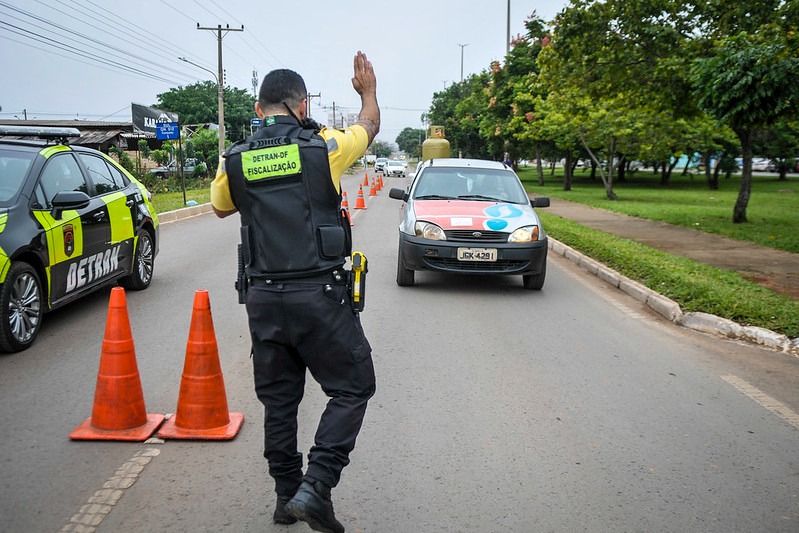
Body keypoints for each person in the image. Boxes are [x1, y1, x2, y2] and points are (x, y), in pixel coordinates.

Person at [210, 51, 380, 533]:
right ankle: (317, 486)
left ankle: (287, 497)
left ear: (260, 108)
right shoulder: (324, 146)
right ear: (302, 105)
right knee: (352, 386)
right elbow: (368, 125)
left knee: (280, 402)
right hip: (318, 295)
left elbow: (221, 208)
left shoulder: (236, 158)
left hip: (263, 299)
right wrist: (367, 91)